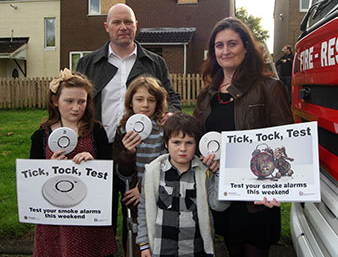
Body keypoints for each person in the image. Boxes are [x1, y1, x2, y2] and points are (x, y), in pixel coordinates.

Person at [76, 3, 181, 238]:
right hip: (100, 149)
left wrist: (170, 113)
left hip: (141, 152)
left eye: (128, 22)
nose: (123, 27)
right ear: (106, 27)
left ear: (136, 26)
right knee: (98, 214)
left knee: (137, 217)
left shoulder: (155, 62)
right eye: (116, 22)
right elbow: (76, 100)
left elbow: (172, 97)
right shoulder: (88, 63)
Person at [193, 17, 293, 257]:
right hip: (223, 192)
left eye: (232, 44)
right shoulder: (207, 95)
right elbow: (197, 137)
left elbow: (285, 141)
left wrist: (278, 188)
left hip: (258, 197)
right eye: (219, 45)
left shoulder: (268, 87)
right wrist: (206, 156)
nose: (225, 51)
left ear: (246, 47)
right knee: (232, 249)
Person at [29, 68, 117, 257]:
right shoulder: (41, 136)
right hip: (55, 217)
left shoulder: (96, 132)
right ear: (55, 101)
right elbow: (31, 178)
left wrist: (94, 165)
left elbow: (109, 170)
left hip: (88, 214)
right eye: (69, 101)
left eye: (81, 101)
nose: (76, 108)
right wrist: (48, 168)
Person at [136, 112, 230, 257]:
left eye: (189, 143)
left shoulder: (204, 173)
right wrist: (144, 244)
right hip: (161, 249)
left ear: (196, 144)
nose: (182, 148)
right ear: (166, 143)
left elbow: (218, 205)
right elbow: (144, 208)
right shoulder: (153, 172)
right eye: (176, 142)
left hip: (195, 249)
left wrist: (219, 174)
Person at [113, 75, 169, 256]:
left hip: (160, 194)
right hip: (134, 199)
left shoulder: (163, 130)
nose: (145, 105)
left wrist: (143, 189)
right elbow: (121, 172)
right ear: (130, 102)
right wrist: (128, 154)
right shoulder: (123, 130)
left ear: (158, 103)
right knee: (138, 238)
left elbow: (165, 163)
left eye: (151, 100)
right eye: (139, 99)